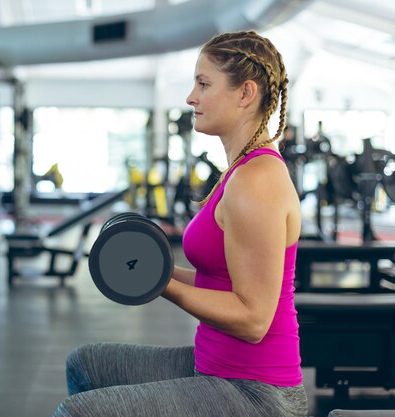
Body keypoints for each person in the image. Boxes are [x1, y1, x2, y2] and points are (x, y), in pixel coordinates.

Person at [53, 30, 307, 417]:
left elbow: (254, 319)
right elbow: (218, 281)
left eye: (204, 84)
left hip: (256, 392)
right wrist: (162, 271)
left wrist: (159, 283)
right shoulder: (239, 172)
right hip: (216, 366)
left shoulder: (258, 181)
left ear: (245, 94)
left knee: (77, 413)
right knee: (86, 364)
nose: (191, 97)